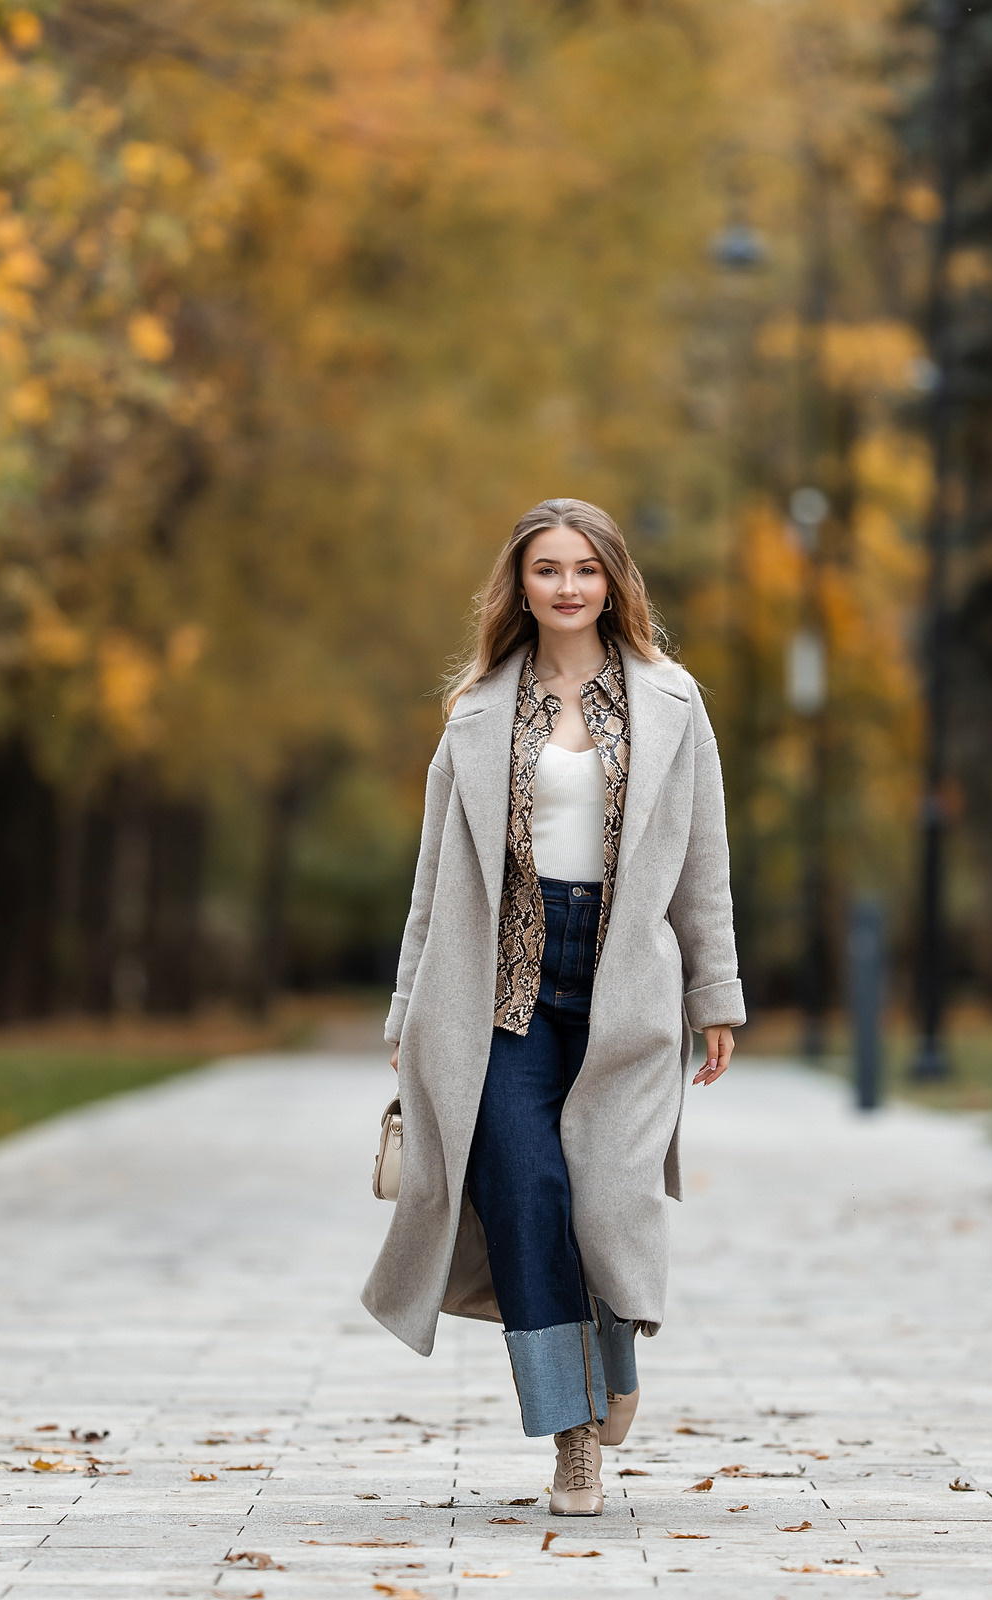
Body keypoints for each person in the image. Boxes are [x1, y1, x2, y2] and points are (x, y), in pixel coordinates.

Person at [361, 497, 744, 1516]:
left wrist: (715, 993)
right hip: (501, 992)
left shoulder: (672, 701)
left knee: (606, 1197)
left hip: (625, 984)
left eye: (585, 568)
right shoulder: (478, 710)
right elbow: (434, 877)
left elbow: (703, 860)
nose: (567, 586)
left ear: (612, 581)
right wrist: (407, 1013)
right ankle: (574, 1437)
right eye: (547, 569)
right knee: (526, 1193)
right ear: (520, 586)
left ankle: (613, 1353)